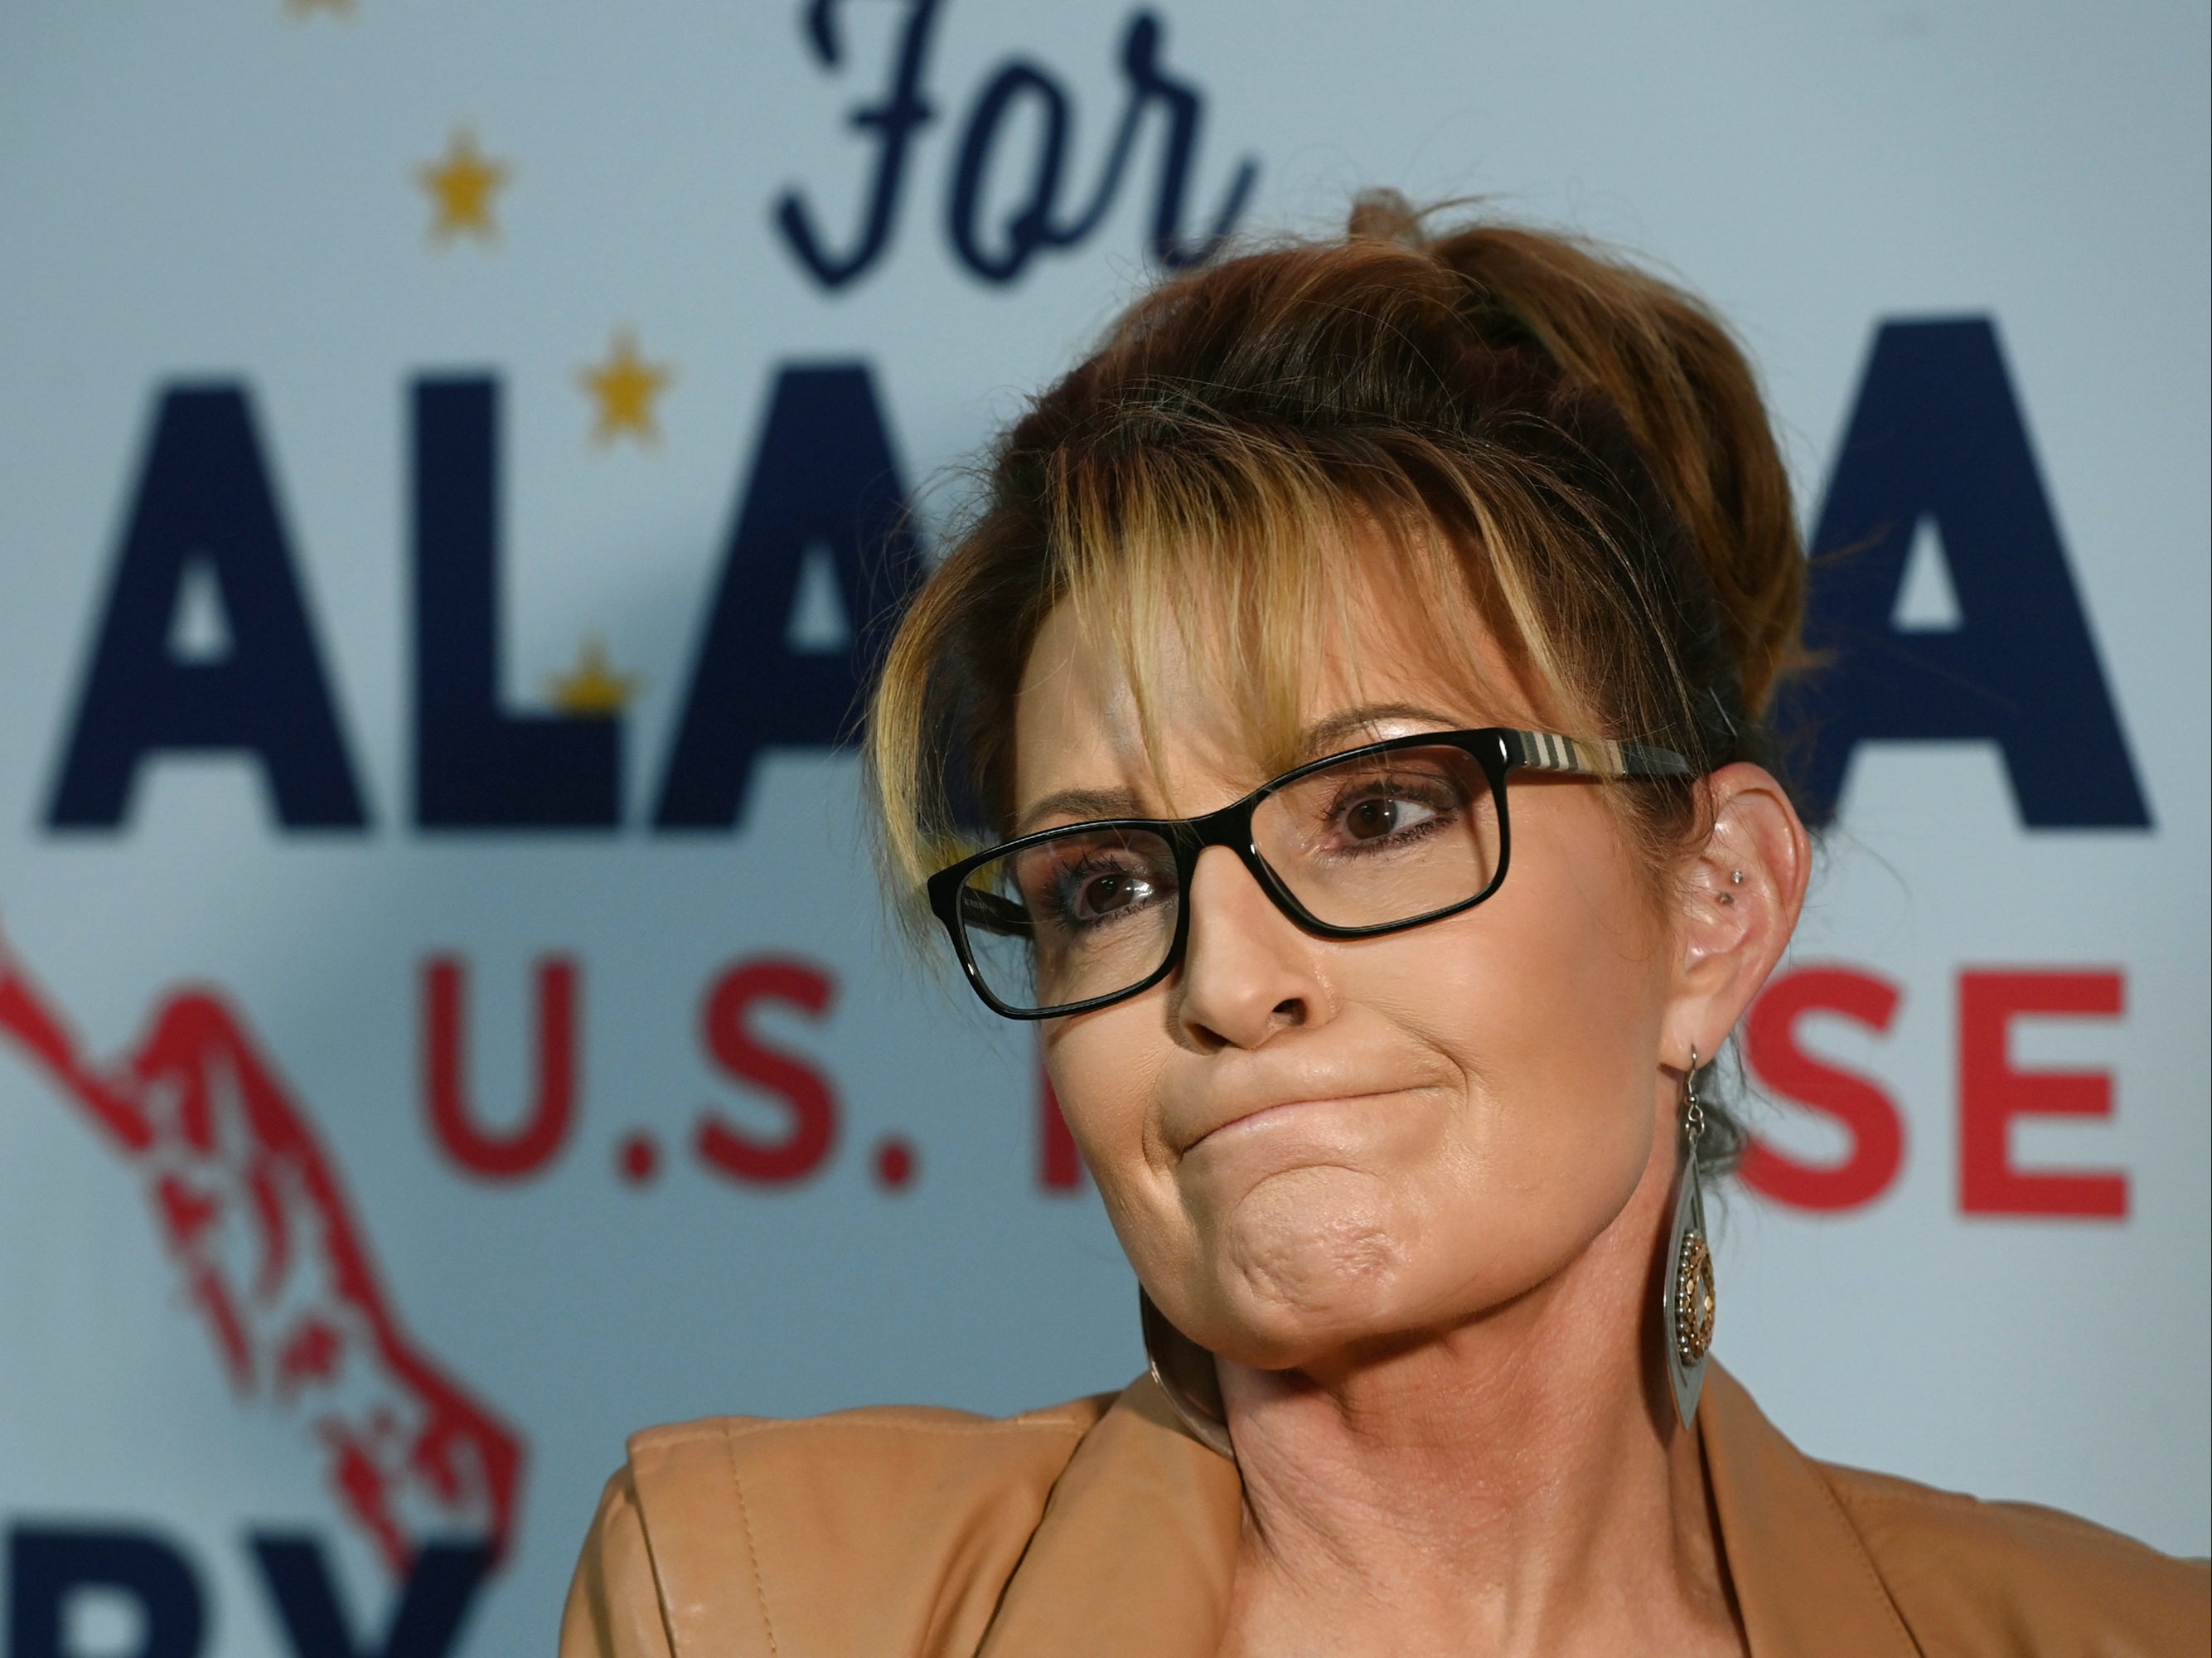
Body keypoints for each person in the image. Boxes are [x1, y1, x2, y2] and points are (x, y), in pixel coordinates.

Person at [559, 198, 2209, 1657]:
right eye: (1110, 881)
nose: (1224, 977)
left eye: (1375, 813)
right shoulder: (756, 1608)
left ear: (1714, 911)